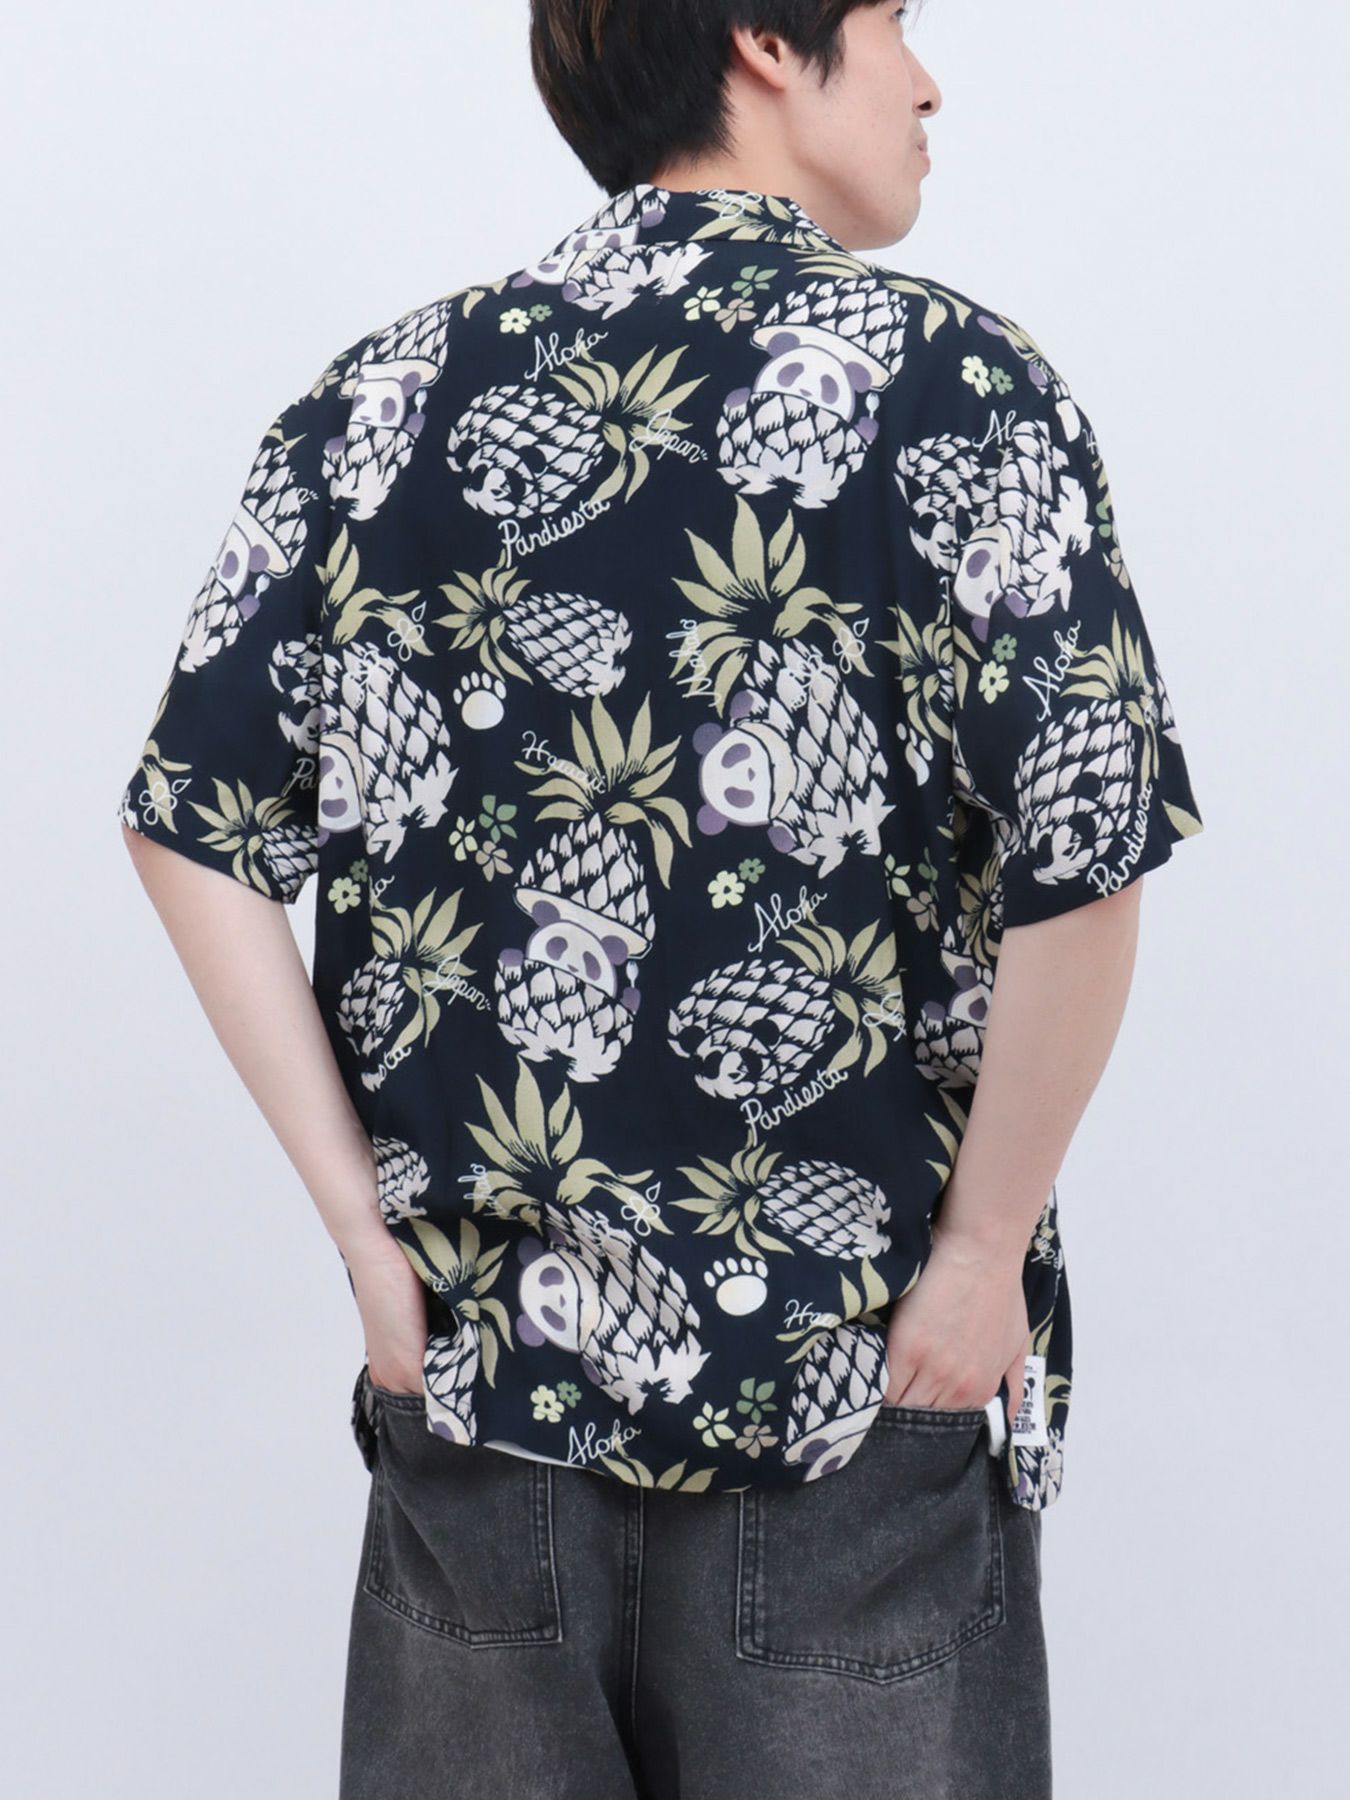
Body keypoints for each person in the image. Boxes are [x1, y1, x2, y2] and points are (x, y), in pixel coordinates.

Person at [116, 2, 1205, 1794]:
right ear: (766, 42)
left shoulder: (380, 397)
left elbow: (190, 824)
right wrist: (976, 1258)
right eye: (893, 20)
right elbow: (1084, 847)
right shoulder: (952, 382)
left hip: (477, 1403)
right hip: (847, 1403)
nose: (927, 79)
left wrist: (368, 1246)